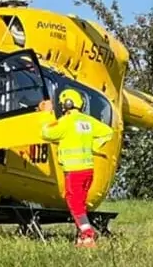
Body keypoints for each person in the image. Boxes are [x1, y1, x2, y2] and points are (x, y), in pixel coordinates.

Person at [40, 89, 114, 247]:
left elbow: (46, 134)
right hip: (88, 170)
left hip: (74, 171)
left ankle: (88, 235)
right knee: (80, 203)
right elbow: (108, 132)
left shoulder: (66, 122)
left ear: (66, 104)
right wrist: (93, 146)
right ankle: (81, 237)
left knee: (74, 203)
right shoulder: (87, 121)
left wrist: (46, 114)